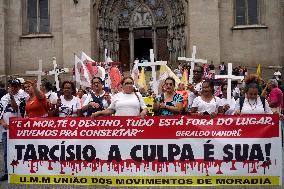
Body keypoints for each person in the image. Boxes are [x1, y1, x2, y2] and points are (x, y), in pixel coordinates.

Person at [0, 79, 27, 181]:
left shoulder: (22, 97)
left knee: (19, 150)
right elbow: (0, 113)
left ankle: (20, 170)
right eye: (11, 86)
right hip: (6, 130)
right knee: (7, 152)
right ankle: (7, 172)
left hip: (17, 129)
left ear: (19, 87)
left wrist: (11, 97)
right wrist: (3, 123)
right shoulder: (3, 98)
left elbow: (16, 109)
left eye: (15, 86)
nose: (13, 88)